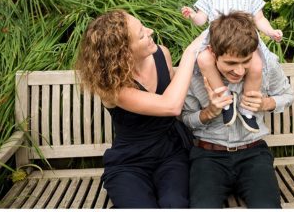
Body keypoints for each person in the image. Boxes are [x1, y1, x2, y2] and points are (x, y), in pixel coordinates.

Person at [74, 10, 205, 208]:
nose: (150, 31)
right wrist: (190, 53)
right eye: (142, 34)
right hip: (130, 162)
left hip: (171, 153)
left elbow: (175, 96)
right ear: (124, 52)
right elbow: (171, 105)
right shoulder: (110, 85)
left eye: (144, 27)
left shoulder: (162, 54)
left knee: (175, 204)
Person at [181, 11, 294, 208]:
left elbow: (287, 96)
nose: (240, 71)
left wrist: (265, 104)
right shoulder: (194, 74)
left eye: (246, 61)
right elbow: (185, 118)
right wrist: (208, 113)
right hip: (208, 156)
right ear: (213, 53)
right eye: (231, 63)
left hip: (253, 153)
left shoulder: (266, 67)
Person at [180, 0, 283, 134]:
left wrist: (271, 32)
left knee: (256, 65)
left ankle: (246, 107)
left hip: (244, 44)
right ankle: (225, 98)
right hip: (216, 43)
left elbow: (259, 18)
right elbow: (202, 19)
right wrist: (193, 16)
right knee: (203, 59)